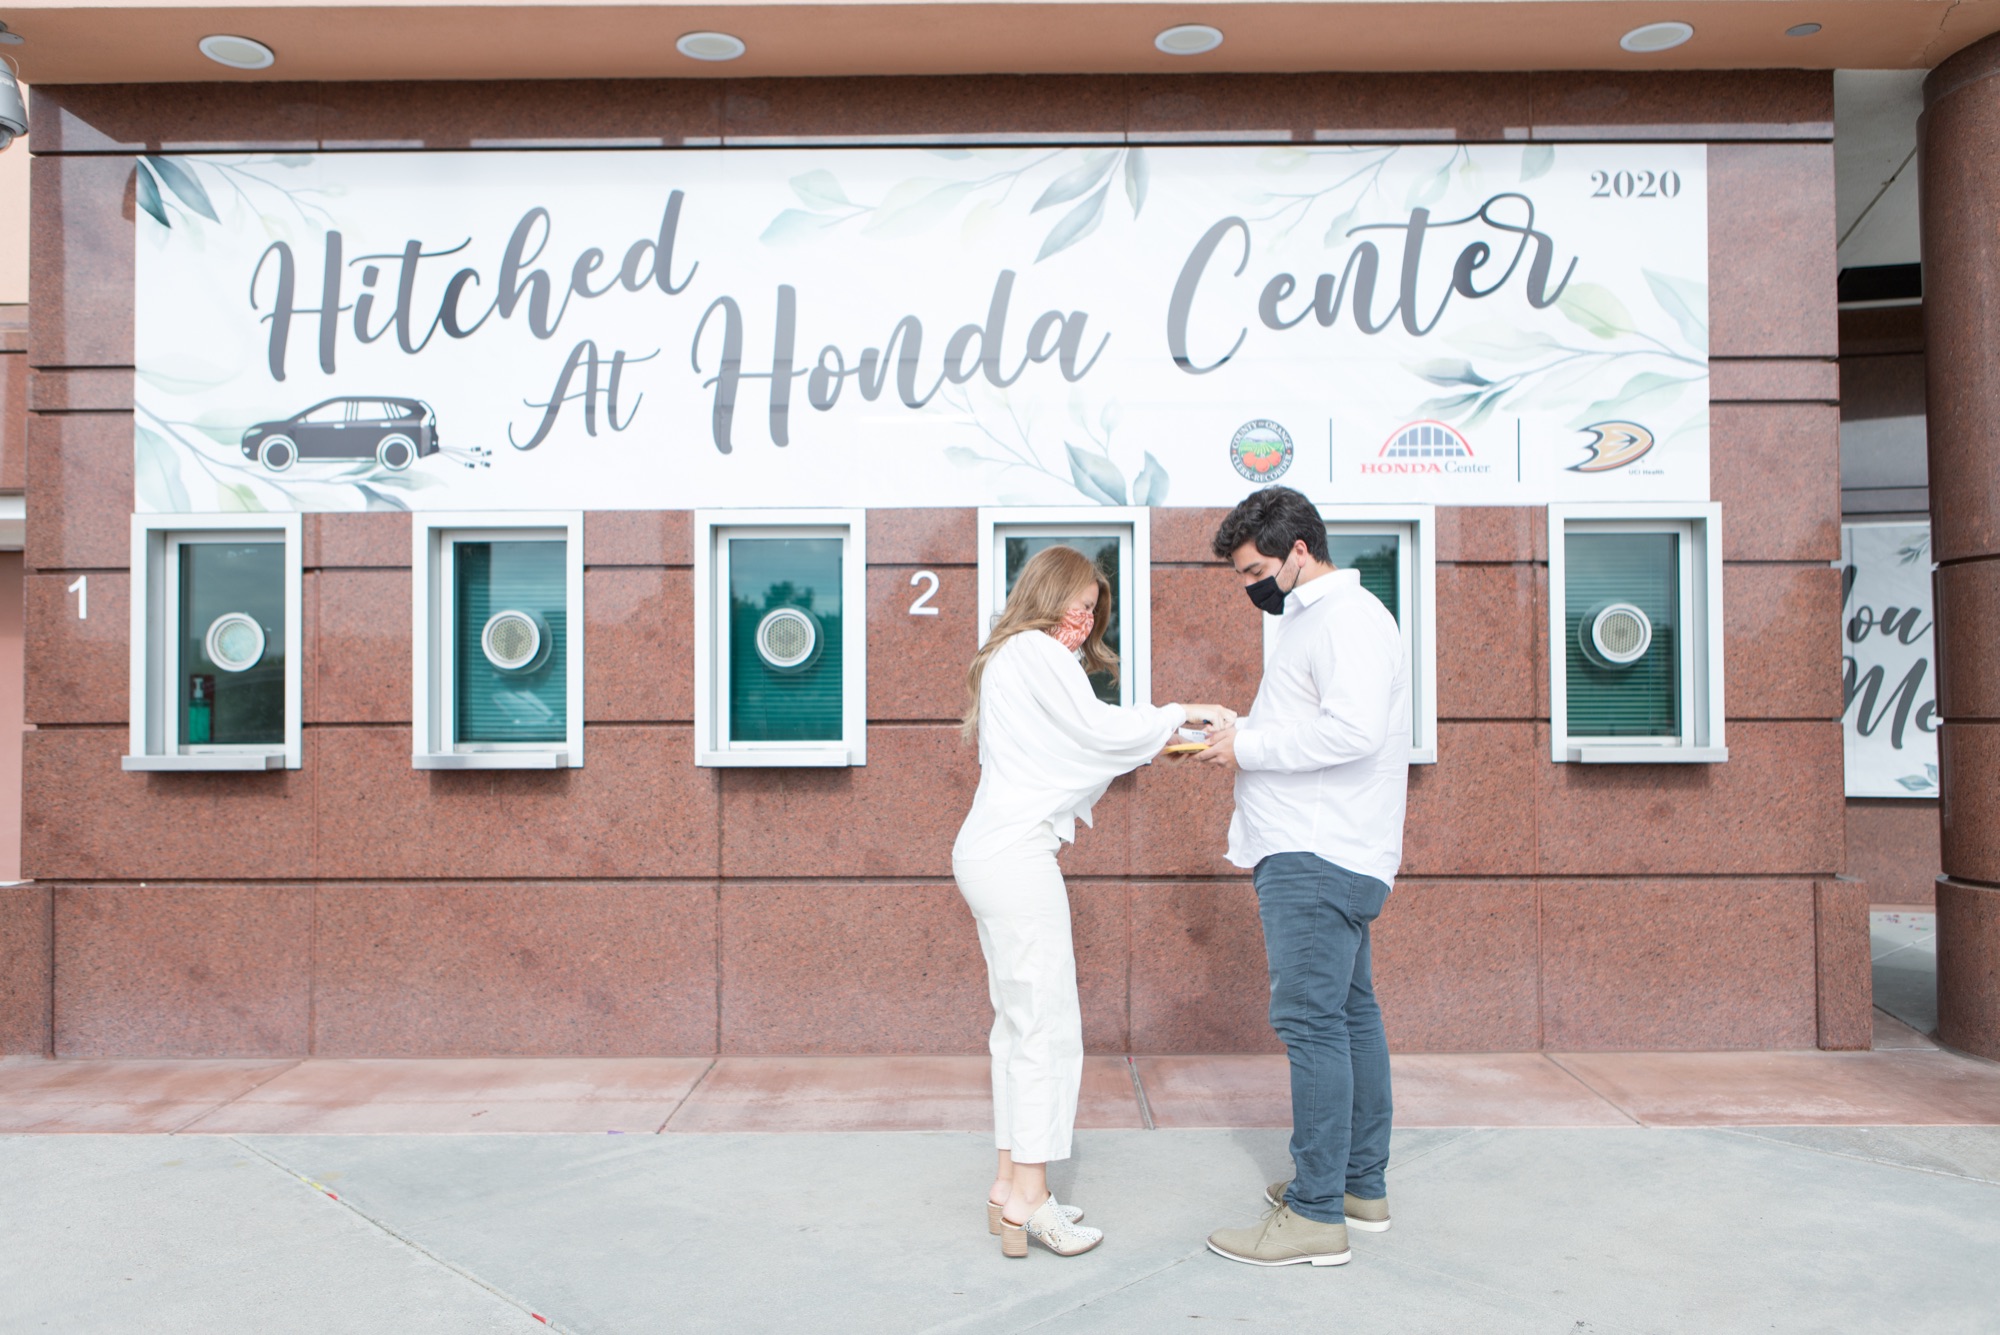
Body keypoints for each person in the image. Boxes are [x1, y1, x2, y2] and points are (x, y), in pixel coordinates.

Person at [954, 544, 1233, 1259]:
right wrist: (1184, 714)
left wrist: (1163, 731)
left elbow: (1077, 742)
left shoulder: (1007, 658)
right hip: (1017, 856)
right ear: (1049, 597)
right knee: (1046, 1026)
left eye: (1092, 609)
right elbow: (1100, 731)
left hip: (988, 851)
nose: (1085, 621)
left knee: (1018, 1025)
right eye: (1079, 605)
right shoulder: (1040, 656)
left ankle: (1006, 1184)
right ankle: (1032, 1200)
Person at [1195, 485, 1412, 1269]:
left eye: (1255, 567)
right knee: (1350, 1017)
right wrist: (1243, 732)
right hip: (1331, 848)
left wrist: (1247, 749)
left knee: (1314, 1026)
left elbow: (1351, 731)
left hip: (1315, 853)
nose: (1248, 584)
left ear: (1298, 551)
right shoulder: (1322, 618)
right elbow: (1324, 725)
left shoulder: (1343, 618)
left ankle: (1319, 1213)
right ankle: (1358, 1186)